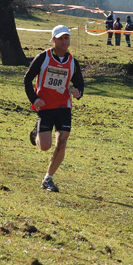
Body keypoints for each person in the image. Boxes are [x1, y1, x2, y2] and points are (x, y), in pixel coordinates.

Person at [23, 25, 85, 192]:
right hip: (45, 106)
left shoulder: (73, 62)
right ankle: (36, 132)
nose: (64, 41)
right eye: (60, 38)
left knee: (62, 143)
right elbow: (27, 79)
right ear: (53, 40)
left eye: (67, 38)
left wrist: (78, 92)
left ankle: (48, 178)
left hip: (64, 106)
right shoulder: (43, 57)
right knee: (45, 146)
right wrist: (34, 99)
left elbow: (80, 84)